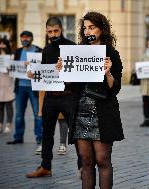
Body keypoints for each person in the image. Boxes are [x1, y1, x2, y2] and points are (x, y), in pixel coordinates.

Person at [57, 11, 124, 188]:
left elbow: (115, 88)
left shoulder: (111, 53)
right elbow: (69, 84)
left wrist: (108, 73)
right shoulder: (78, 51)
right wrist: (63, 71)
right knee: (85, 161)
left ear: (101, 29)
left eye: (91, 27)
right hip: (80, 112)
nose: (87, 31)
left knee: (103, 160)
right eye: (85, 28)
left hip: (102, 112)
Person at [25, 17, 82, 178]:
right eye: (50, 31)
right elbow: (45, 75)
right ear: (46, 31)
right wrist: (34, 75)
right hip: (50, 97)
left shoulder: (72, 47)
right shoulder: (47, 50)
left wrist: (66, 70)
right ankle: (45, 166)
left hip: (69, 96)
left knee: (75, 133)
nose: (53, 34)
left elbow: (80, 73)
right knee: (46, 133)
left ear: (61, 29)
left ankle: (82, 168)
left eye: (55, 30)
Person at [7, 31, 42, 145]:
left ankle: (39, 137)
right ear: (20, 39)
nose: (25, 39)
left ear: (31, 38)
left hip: (34, 87)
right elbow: (13, 67)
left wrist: (32, 65)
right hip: (20, 87)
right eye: (23, 37)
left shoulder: (38, 50)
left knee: (37, 114)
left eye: (27, 37)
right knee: (19, 114)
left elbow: (43, 66)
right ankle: (18, 137)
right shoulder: (18, 51)